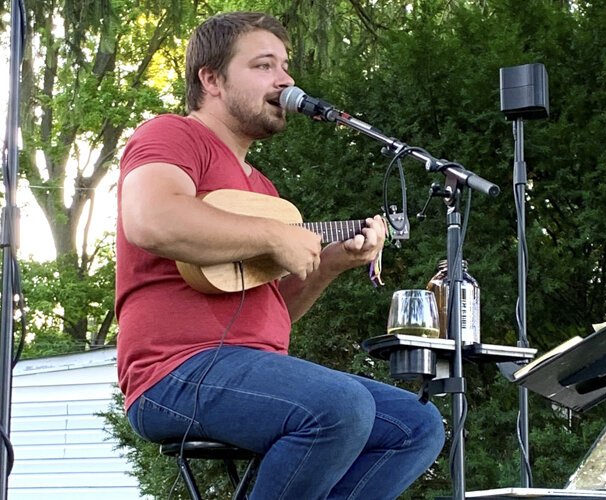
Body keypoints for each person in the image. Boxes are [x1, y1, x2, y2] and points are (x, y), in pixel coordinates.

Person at [116, 11, 445, 499]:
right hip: (173, 374)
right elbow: (151, 218)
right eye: (264, 65)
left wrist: (331, 262)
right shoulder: (172, 135)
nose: (286, 79)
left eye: (285, 66)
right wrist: (273, 237)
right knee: (339, 406)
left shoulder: (262, 192)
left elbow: (270, 311)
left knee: (416, 424)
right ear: (212, 79)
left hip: (247, 371)